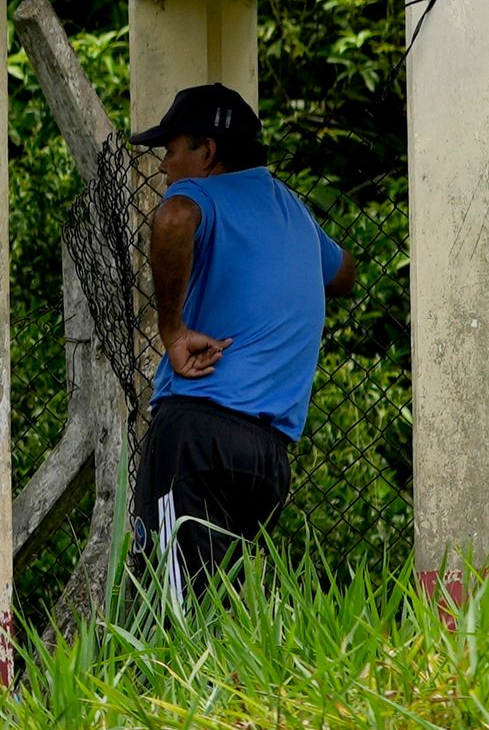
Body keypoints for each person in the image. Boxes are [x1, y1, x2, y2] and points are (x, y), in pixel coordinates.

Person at [133, 81, 355, 601]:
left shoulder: (197, 196)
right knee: (224, 611)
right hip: (266, 458)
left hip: (196, 432)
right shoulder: (294, 211)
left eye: (171, 150)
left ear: (207, 151)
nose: (164, 166)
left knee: (171, 614)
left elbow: (172, 218)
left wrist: (173, 331)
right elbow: (344, 273)